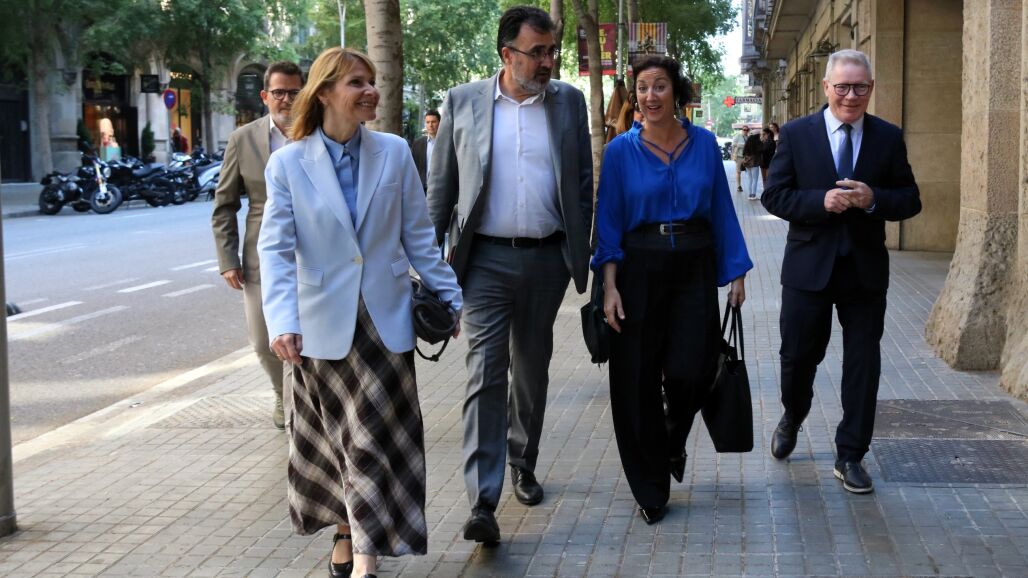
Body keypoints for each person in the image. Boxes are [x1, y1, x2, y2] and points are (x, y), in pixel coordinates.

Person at [259, 47, 462, 578]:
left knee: (371, 443)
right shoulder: (288, 163)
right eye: (356, 82)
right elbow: (275, 251)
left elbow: (419, 236)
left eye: (372, 81)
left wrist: (451, 296)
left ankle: (365, 563)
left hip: (383, 321)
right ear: (325, 93)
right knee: (339, 447)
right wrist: (282, 321)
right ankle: (347, 531)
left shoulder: (393, 152)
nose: (371, 91)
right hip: (319, 327)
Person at [426, 5, 593, 544]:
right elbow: (441, 190)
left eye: (551, 52)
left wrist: (578, 253)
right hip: (484, 263)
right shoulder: (462, 101)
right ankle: (483, 499)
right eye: (536, 52)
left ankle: (523, 459)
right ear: (507, 54)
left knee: (531, 368)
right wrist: (430, 269)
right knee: (484, 372)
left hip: (546, 260)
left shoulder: (569, 102)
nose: (547, 62)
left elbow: (582, 185)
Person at [593, 55, 752, 525]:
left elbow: (721, 208)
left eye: (660, 86)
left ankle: (671, 437)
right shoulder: (620, 151)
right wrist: (609, 285)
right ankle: (650, 487)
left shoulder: (703, 145)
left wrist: (736, 272)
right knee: (636, 379)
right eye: (643, 87)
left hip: (694, 266)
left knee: (692, 371)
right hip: (638, 267)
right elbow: (609, 219)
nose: (650, 96)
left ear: (676, 92)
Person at [761, 49, 921, 494]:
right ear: (827, 87)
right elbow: (775, 196)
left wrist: (873, 199)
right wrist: (820, 201)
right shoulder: (797, 134)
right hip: (808, 269)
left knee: (863, 365)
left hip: (864, 273)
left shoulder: (888, 137)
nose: (851, 96)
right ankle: (793, 414)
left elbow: (910, 199)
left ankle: (851, 454)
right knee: (797, 357)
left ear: (871, 88)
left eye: (861, 87)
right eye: (843, 87)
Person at [212, 61, 304, 430]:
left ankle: (302, 404)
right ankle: (282, 394)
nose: (287, 100)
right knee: (264, 340)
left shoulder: (319, 132)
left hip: (315, 252)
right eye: (279, 93)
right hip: (259, 256)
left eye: (294, 92)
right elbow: (224, 205)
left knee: (309, 336)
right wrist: (227, 258)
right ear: (265, 96)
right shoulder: (243, 139)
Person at [411, 109, 440, 192]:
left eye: (433, 122)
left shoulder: (448, 143)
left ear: (440, 123)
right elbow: (413, 167)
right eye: (428, 122)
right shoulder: (417, 144)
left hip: (441, 189)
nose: (430, 125)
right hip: (422, 188)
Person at [742, 126, 763, 200]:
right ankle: (753, 195)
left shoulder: (748, 142)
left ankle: (750, 194)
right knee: (755, 179)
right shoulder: (758, 142)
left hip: (747, 162)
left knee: (750, 179)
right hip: (755, 162)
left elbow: (743, 153)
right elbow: (762, 150)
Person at [731, 126, 749, 192]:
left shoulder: (748, 137)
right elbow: (733, 145)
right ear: (742, 130)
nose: (745, 131)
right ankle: (739, 186)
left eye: (747, 130)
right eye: (744, 130)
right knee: (738, 171)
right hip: (739, 156)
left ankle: (750, 186)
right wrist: (733, 155)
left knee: (749, 171)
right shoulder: (738, 136)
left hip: (747, 157)